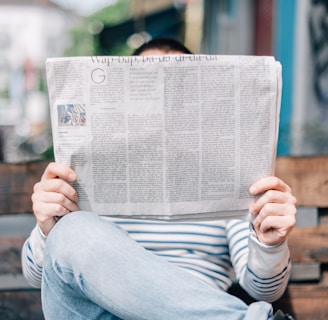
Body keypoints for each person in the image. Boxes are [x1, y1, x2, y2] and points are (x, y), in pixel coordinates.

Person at [22, 38, 296, 320]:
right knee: (72, 230)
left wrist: (269, 244)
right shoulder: (82, 174)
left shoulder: (230, 178)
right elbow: (38, 277)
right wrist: (47, 229)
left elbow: (264, 290)